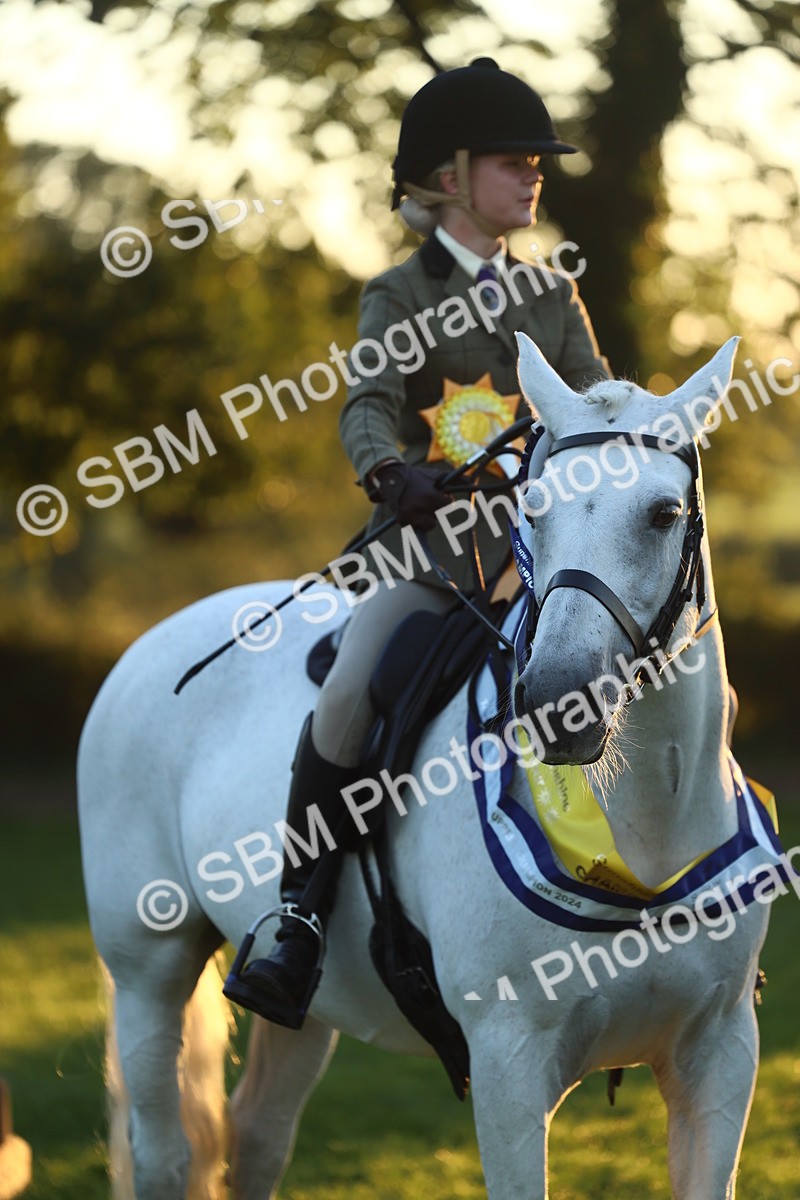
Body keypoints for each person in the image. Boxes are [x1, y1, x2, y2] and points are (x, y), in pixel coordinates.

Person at [225, 57, 610, 1028]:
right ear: (447, 178)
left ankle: (668, 901)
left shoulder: (551, 296)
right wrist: (389, 473)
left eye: (537, 161)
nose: (534, 175)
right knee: (353, 690)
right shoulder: (397, 291)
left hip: (532, 559)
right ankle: (297, 919)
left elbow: (592, 404)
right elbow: (367, 405)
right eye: (513, 161)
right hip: (428, 557)